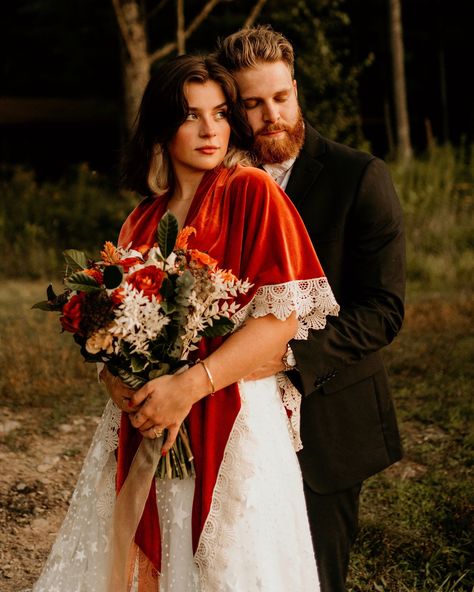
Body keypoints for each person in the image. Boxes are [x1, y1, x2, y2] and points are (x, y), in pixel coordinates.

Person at [33, 55, 339, 592]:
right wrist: (114, 378)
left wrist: (188, 386)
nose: (209, 129)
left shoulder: (251, 191)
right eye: (190, 115)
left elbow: (279, 322)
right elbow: (113, 330)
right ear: (160, 127)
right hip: (149, 420)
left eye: (220, 113)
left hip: (233, 416)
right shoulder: (142, 218)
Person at [215, 25, 406, 592]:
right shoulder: (215, 182)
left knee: (316, 579)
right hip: (231, 415)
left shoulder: (359, 176)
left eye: (280, 97)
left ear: (296, 88)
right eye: (252, 103)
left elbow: (383, 309)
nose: (271, 115)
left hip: (328, 417)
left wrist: (284, 356)